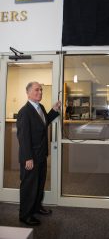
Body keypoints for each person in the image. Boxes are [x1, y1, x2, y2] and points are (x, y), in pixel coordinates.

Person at [17, 81, 61, 226]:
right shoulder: (25, 112)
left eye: (41, 90)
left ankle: (36, 207)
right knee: (29, 186)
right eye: (36, 90)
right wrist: (27, 158)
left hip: (41, 155)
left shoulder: (40, 107)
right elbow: (23, 137)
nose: (40, 92)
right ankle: (25, 215)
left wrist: (54, 110)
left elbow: (44, 122)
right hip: (31, 157)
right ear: (28, 93)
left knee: (39, 183)